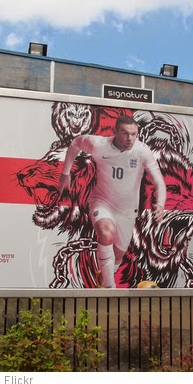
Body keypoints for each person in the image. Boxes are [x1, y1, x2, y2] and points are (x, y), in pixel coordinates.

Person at [58, 115, 166, 288]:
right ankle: (109, 289)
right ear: (115, 132)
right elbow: (75, 144)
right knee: (106, 232)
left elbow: (159, 182)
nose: (130, 138)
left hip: (127, 210)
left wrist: (160, 204)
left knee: (118, 256)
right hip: (102, 202)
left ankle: (105, 276)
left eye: (134, 134)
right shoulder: (98, 145)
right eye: (124, 133)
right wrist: (65, 173)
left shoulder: (142, 151)